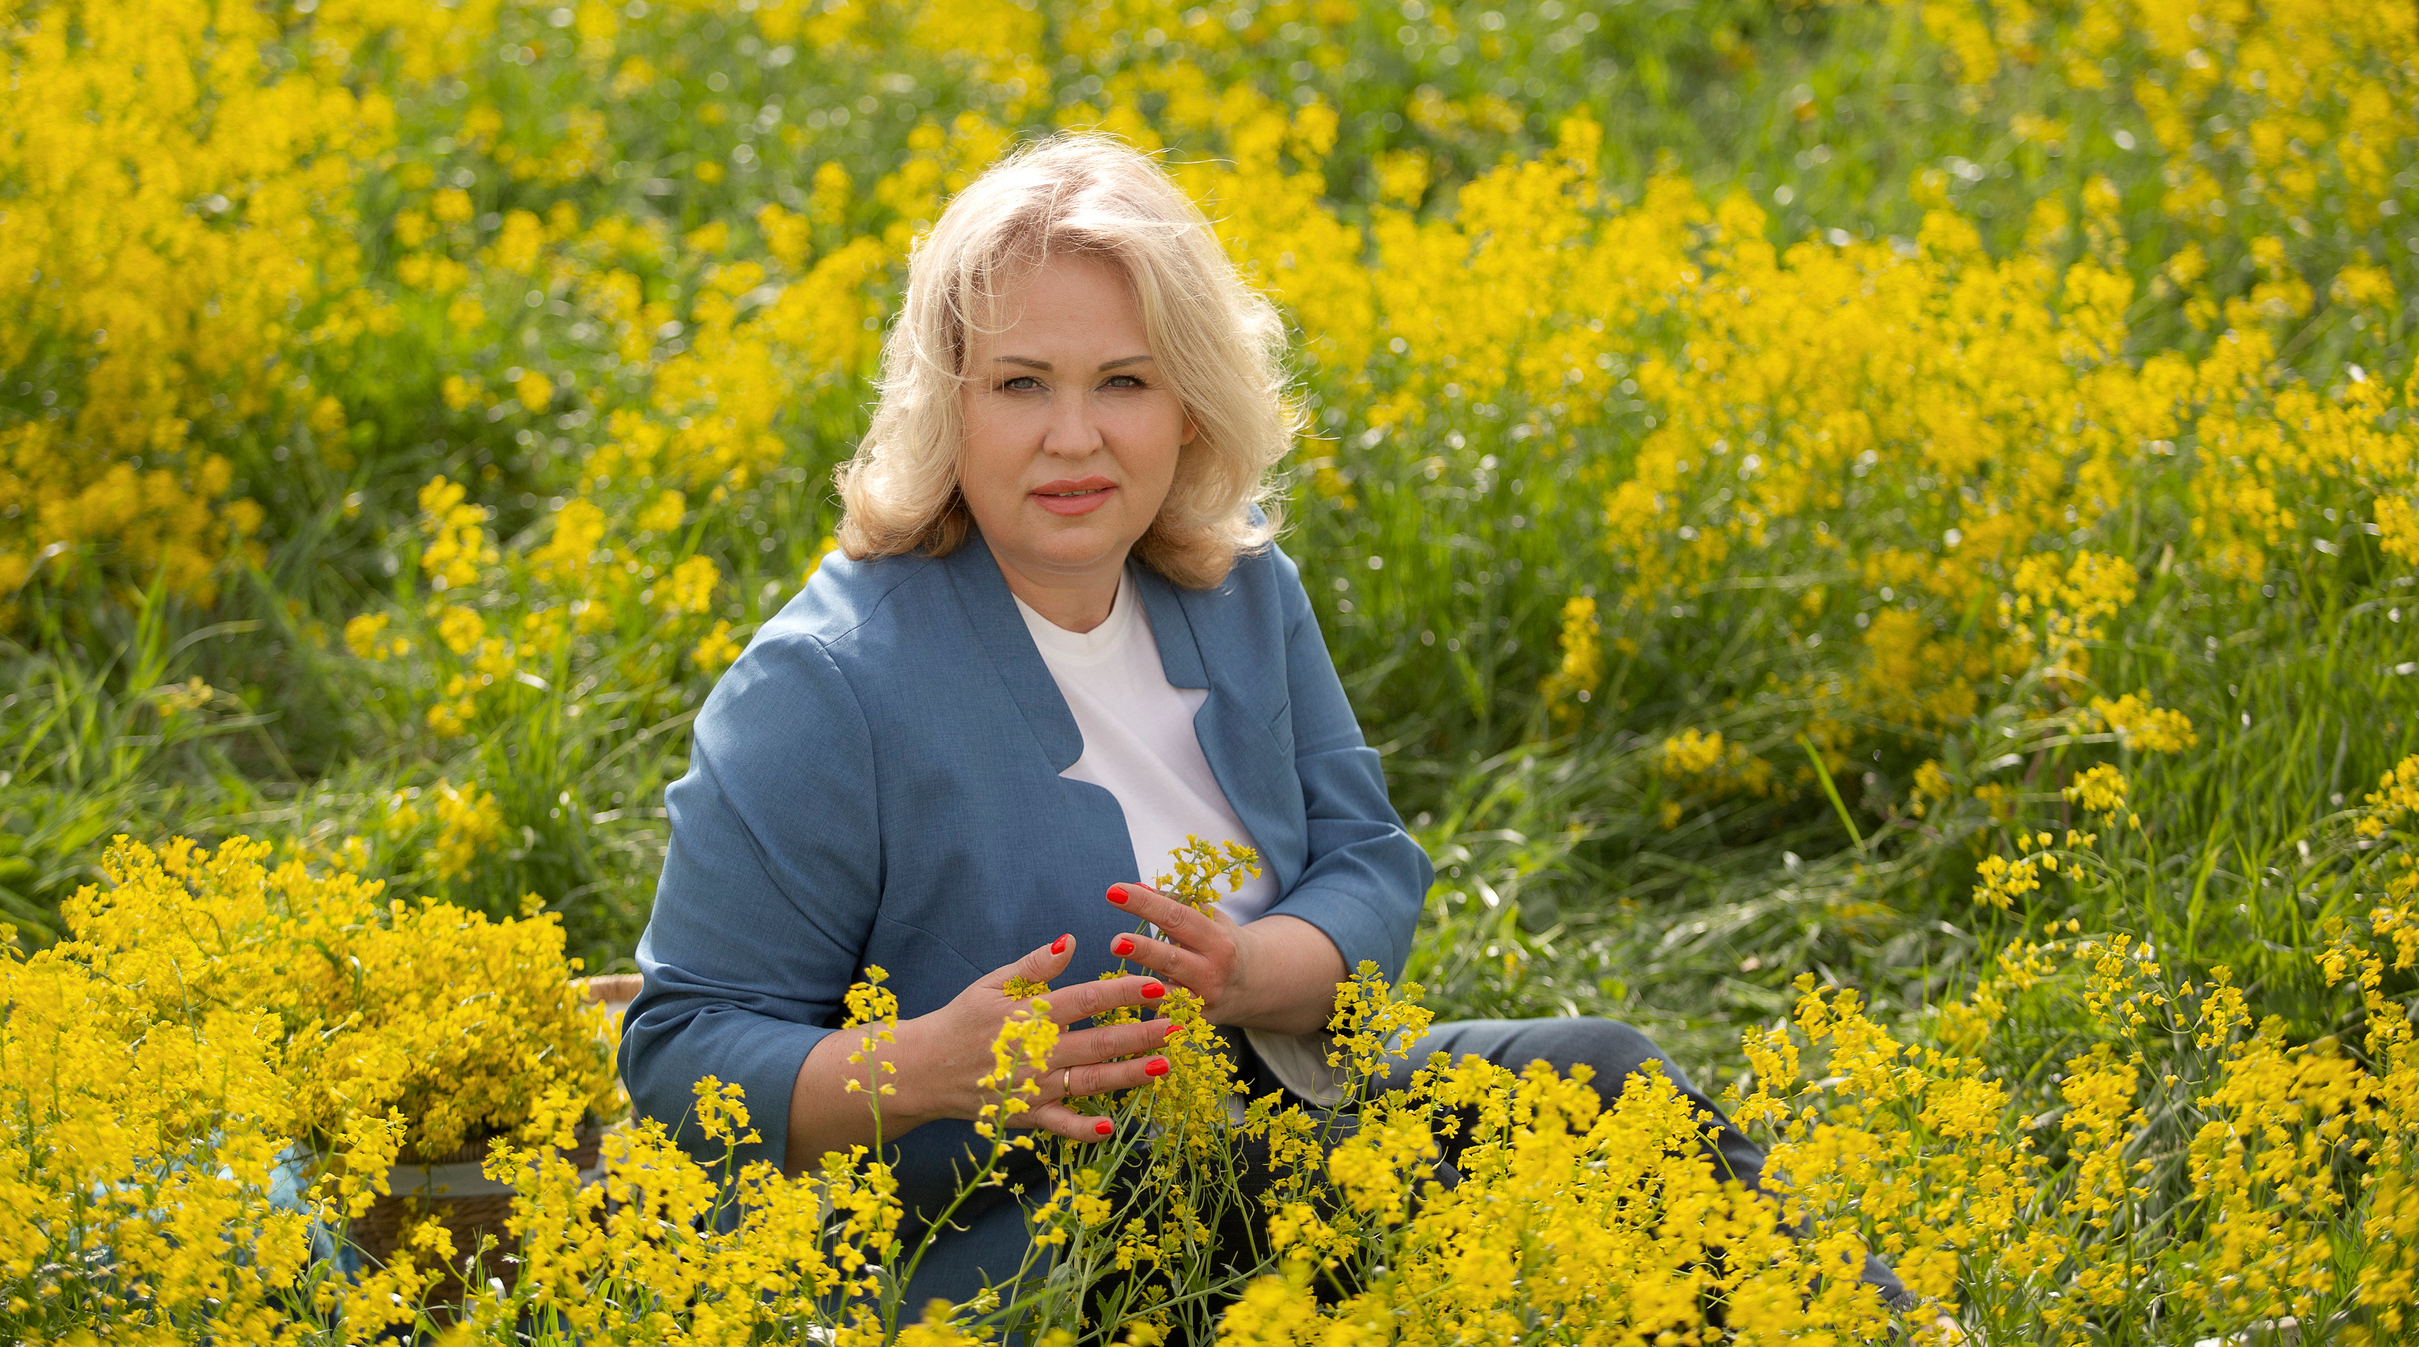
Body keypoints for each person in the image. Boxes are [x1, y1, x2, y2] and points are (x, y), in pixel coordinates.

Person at [619, 131, 1917, 1322]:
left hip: (1285, 1121)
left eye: (1122, 380)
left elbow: (1367, 862)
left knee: (1607, 1081)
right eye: (1022, 383)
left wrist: (1252, 971)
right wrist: (935, 1065)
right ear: (947, 401)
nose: (1075, 437)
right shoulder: (823, 683)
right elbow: (675, 1052)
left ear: (1189, 403)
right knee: (1428, 1215)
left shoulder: (1234, 592)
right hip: (1032, 1238)